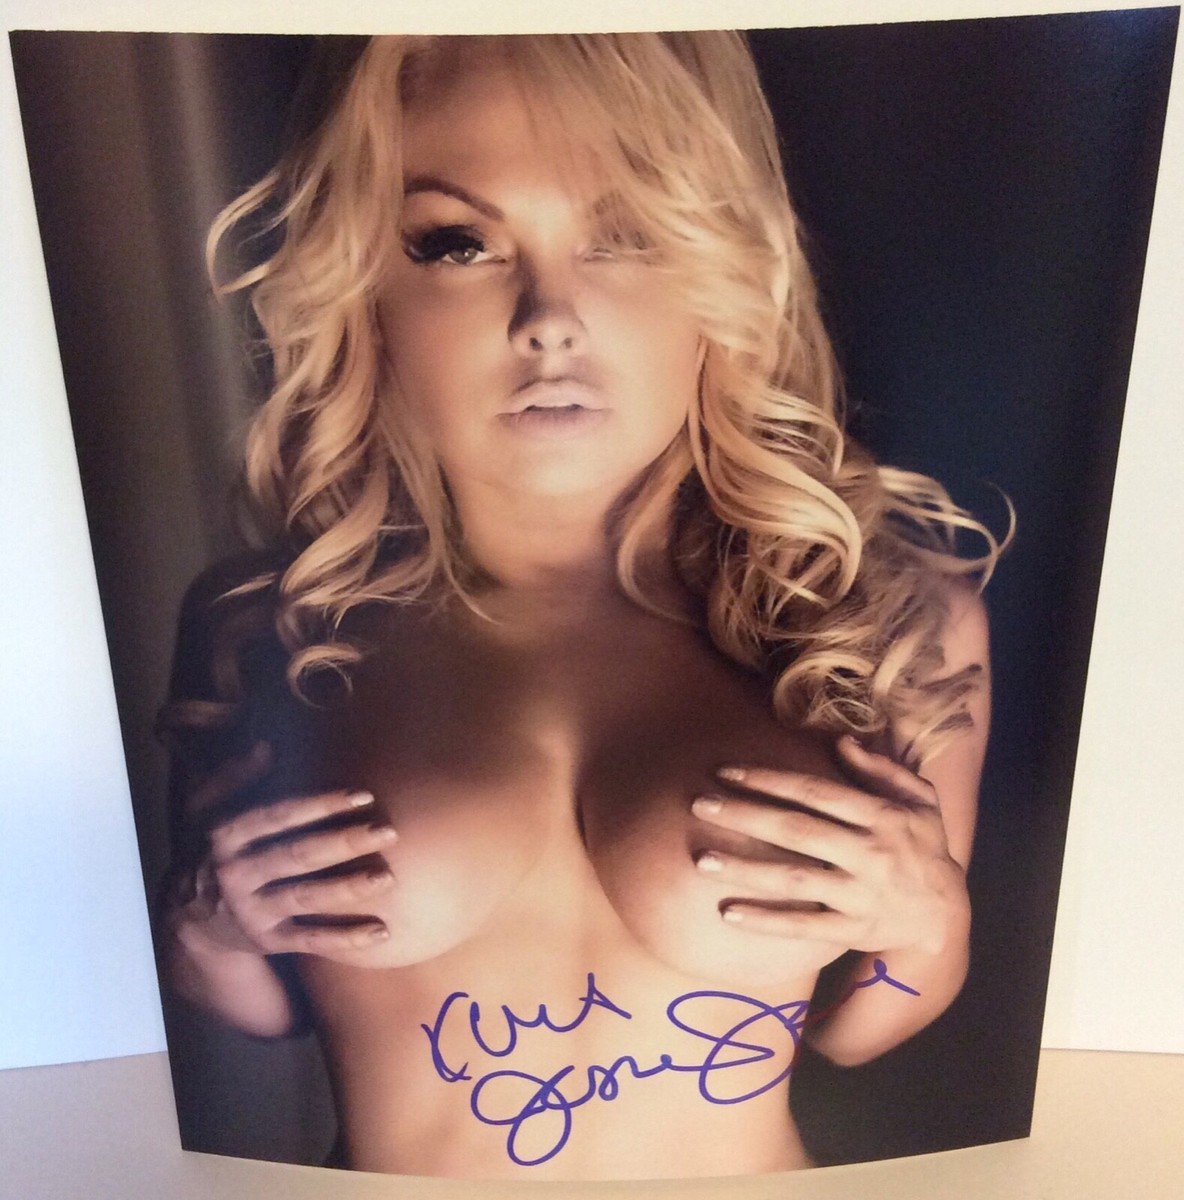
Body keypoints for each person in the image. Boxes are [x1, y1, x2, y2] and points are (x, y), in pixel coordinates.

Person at [158, 31, 1005, 1180]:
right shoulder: (266, 632)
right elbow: (267, 1013)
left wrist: (929, 921)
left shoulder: (888, 624)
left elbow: (860, 1030)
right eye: (456, 243)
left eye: (627, 235)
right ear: (364, 289)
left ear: (717, 271)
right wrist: (207, 931)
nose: (547, 317)